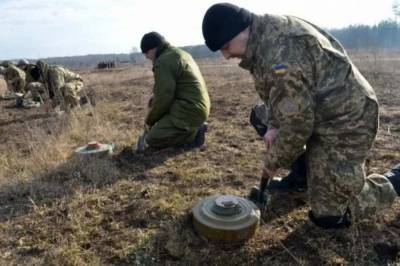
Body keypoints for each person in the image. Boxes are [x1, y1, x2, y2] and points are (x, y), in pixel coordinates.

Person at [202, 3, 398, 229]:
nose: (226, 56)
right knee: (261, 116)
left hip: (345, 118)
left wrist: (272, 161)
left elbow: (298, 126)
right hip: (315, 108)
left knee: (328, 216)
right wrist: (274, 125)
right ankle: (303, 175)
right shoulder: (263, 35)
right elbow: (282, 98)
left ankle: (395, 180)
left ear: (241, 30)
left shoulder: (281, 52)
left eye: (226, 46)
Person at [138, 32, 210, 150]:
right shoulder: (179, 53)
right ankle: (193, 126)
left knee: (152, 139)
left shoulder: (163, 61)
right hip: (197, 106)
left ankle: (194, 133)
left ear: (154, 48)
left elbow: (164, 97)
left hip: (189, 109)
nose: (146, 56)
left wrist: (149, 121)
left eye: (146, 52)